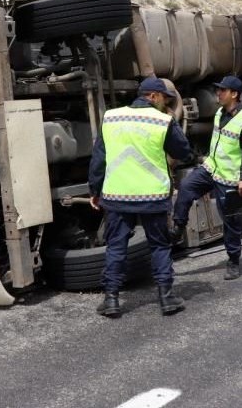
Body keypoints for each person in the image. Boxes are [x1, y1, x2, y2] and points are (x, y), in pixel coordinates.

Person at [89, 76, 193, 317]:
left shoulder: (111, 117)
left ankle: (112, 300)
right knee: (159, 245)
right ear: (153, 96)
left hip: (117, 196)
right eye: (164, 99)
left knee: (116, 246)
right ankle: (166, 299)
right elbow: (184, 151)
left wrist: (95, 191)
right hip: (152, 196)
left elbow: (98, 160)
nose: (165, 103)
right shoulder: (163, 120)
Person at [170, 75, 242, 280]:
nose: (218, 93)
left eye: (223, 90)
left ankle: (233, 260)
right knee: (186, 187)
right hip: (211, 168)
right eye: (218, 89)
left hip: (229, 177)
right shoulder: (219, 112)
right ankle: (178, 228)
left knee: (230, 221)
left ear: (234, 94)